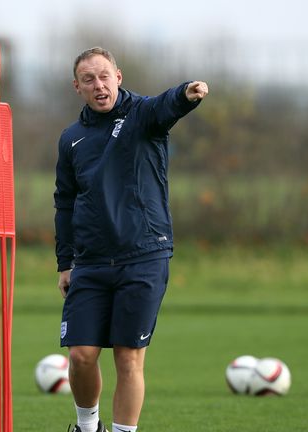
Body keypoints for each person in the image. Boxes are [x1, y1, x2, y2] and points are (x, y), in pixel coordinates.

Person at [54, 47, 208, 432]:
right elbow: (65, 202)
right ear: (77, 87)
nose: (98, 85)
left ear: (118, 77)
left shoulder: (141, 116)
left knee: (128, 358)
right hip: (90, 261)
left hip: (143, 255)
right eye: (88, 79)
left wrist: (185, 94)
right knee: (81, 355)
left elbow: (164, 106)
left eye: (104, 76)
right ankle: (87, 427)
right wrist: (64, 262)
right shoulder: (71, 138)